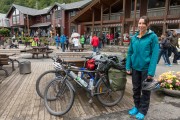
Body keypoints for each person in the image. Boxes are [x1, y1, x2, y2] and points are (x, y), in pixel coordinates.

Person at [126, 16, 159, 120]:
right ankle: (136, 106)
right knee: (135, 89)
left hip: (146, 68)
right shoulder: (135, 37)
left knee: (145, 90)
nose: (140, 25)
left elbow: (154, 55)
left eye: (142, 23)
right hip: (135, 68)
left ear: (147, 24)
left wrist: (151, 72)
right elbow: (130, 52)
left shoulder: (152, 37)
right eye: (139, 23)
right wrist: (128, 66)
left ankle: (142, 111)